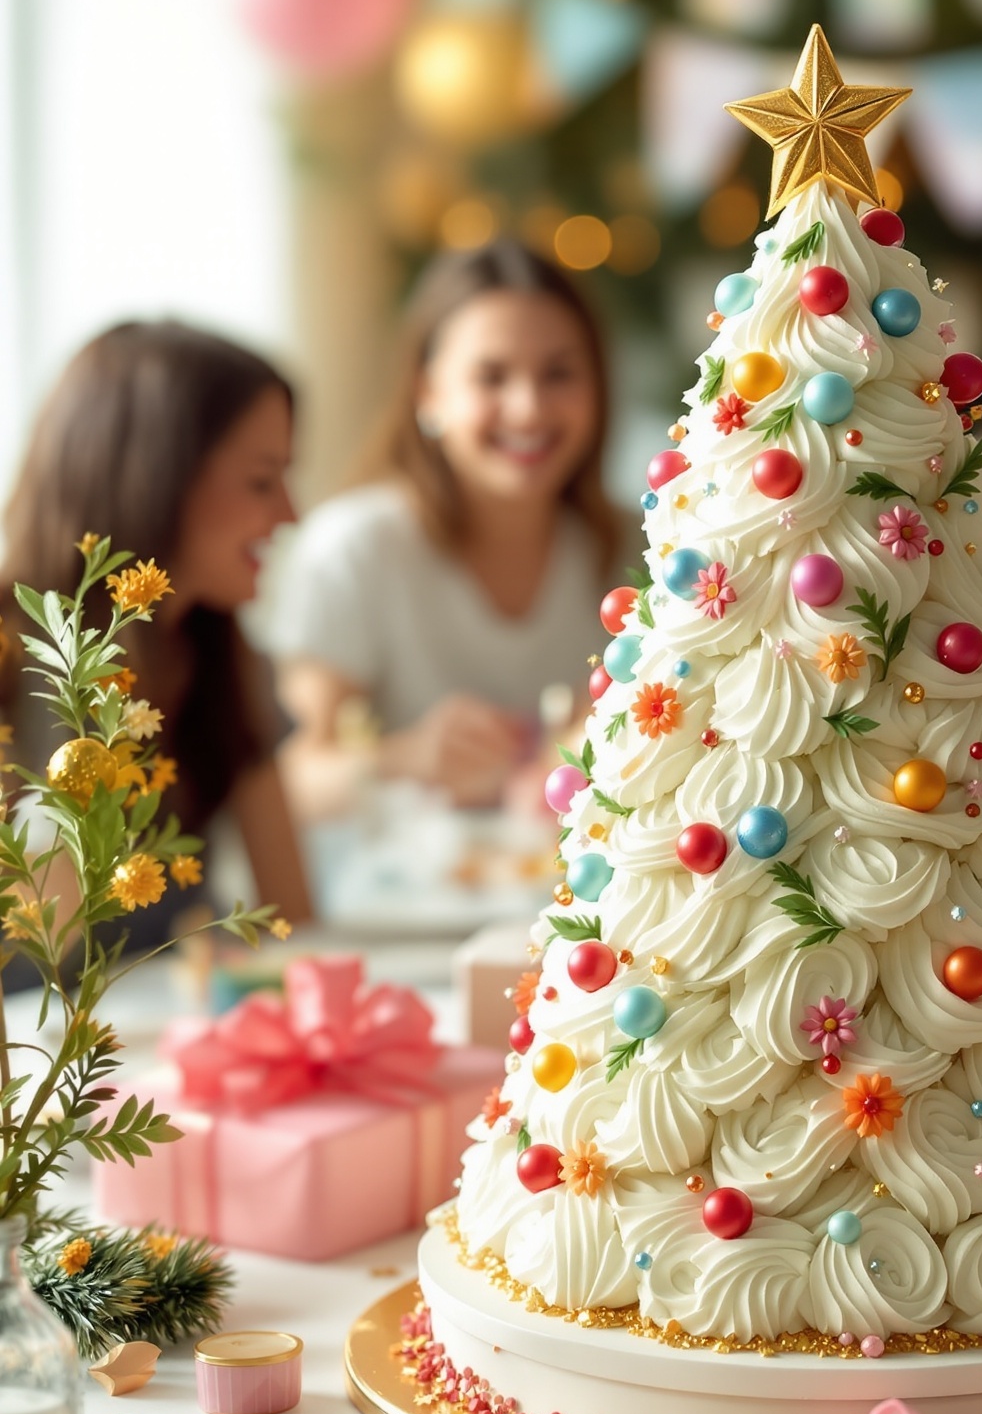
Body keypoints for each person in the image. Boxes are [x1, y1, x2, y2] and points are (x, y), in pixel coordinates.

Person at [273, 237, 622, 815]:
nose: (529, 408)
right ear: (428, 393)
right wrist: (403, 760)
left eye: (559, 373)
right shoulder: (354, 548)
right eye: (491, 377)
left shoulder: (645, 547)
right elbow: (287, 782)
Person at [1, 320, 312, 924]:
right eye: (261, 481)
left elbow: (292, 922)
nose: (291, 514)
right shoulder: (13, 663)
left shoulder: (225, 656)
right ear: (156, 482)